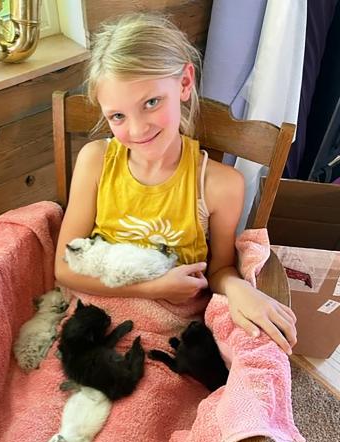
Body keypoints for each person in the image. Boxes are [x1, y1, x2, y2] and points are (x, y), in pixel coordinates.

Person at [54, 12, 297, 355]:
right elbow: (64, 268)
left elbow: (220, 268)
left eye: (151, 102)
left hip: (168, 336)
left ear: (184, 84)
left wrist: (240, 288)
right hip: (93, 323)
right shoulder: (95, 161)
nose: (137, 130)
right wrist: (151, 287)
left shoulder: (221, 185)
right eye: (118, 116)